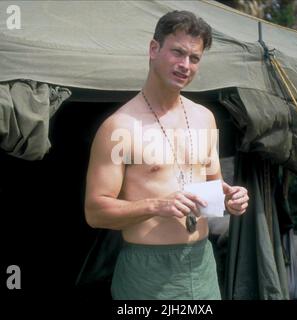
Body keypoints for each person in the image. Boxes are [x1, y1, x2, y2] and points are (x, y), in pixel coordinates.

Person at [84, 10, 249, 300]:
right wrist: (157, 205)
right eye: (178, 52)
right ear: (153, 49)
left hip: (201, 265)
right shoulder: (119, 127)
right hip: (147, 273)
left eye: (194, 58)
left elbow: (214, 188)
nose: (185, 65)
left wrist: (230, 198)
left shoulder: (205, 118)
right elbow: (95, 212)